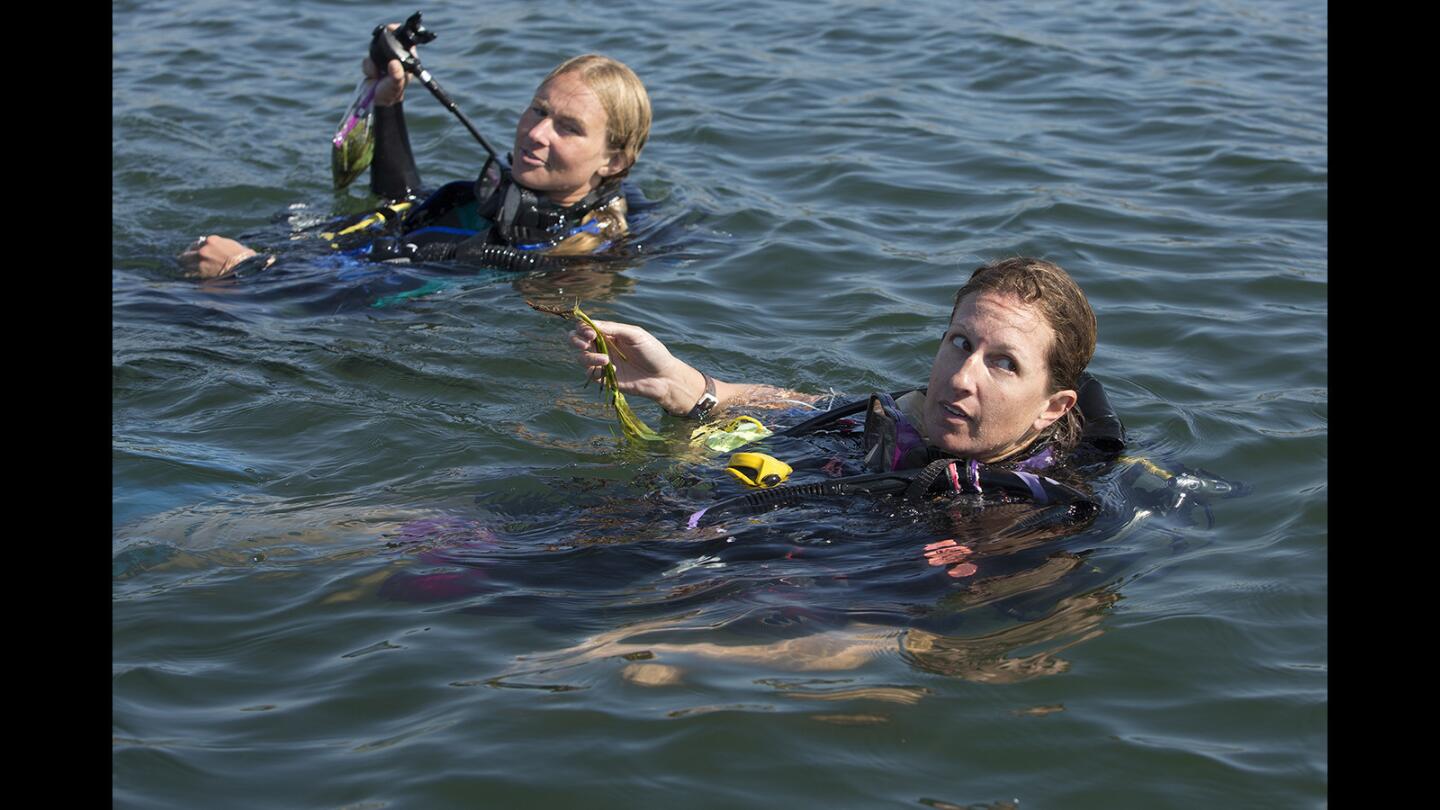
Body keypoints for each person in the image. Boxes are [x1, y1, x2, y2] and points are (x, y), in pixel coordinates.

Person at [570, 257, 1119, 478]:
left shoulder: (1031, 517)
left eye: (1003, 363)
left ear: (1053, 408)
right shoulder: (913, 415)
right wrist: (685, 384)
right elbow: (821, 409)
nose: (961, 376)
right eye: (959, 342)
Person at [180, 45, 652, 279]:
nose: (535, 132)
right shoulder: (514, 196)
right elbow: (403, 202)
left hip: (282, 287)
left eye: (568, 128)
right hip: (300, 252)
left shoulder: (556, 252)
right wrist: (389, 105)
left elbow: (376, 294)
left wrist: (249, 269)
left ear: (613, 160)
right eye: (539, 110)